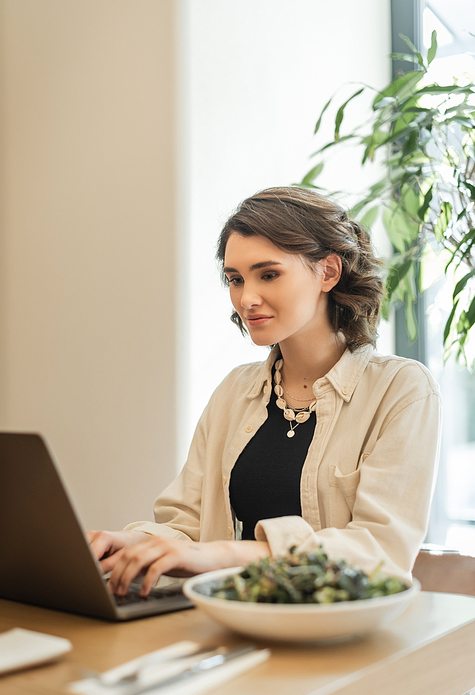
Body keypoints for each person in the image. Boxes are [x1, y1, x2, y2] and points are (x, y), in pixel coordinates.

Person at [88, 186, 441, 603]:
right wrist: (133, 543)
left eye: (268, 274)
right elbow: (186, 526)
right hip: (233, 624)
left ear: (329, 272)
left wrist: (220, 555)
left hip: (337, 640)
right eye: (235, 280)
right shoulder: (235, 392)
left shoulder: (401, 389)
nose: (246, 299)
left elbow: (378, 552)